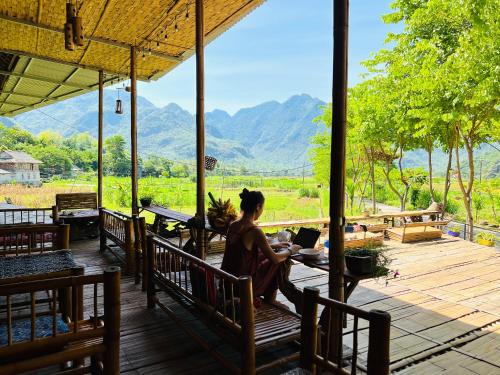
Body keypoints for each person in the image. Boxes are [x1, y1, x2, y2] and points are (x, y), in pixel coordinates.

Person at [221, 188, 299, 303]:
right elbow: (275, 258)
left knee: (269, 259)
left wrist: (275, 245)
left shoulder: (233, 225)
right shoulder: (254, 230)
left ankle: (270, 300)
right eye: (262, 207)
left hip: (228, 282)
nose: (262, 210)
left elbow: (244, 248)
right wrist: (291, 250)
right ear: (258, 207)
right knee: (278, 263)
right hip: (243, 285)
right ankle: (270, 301)